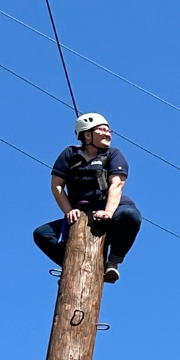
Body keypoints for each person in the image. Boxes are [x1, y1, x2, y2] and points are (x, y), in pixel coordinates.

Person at [33, 113, 142, 283]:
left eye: (109, 131)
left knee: (129, 214)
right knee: (42, 234)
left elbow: (117, 184)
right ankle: (71, 264)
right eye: (103, 130)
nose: (108, 134)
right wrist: (69, 211)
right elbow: (57, 185)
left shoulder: (112, 154)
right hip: (81, 212)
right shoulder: (70, 154)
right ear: (87, 134)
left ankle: (112, 262)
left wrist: (108, 212)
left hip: (109, 208)